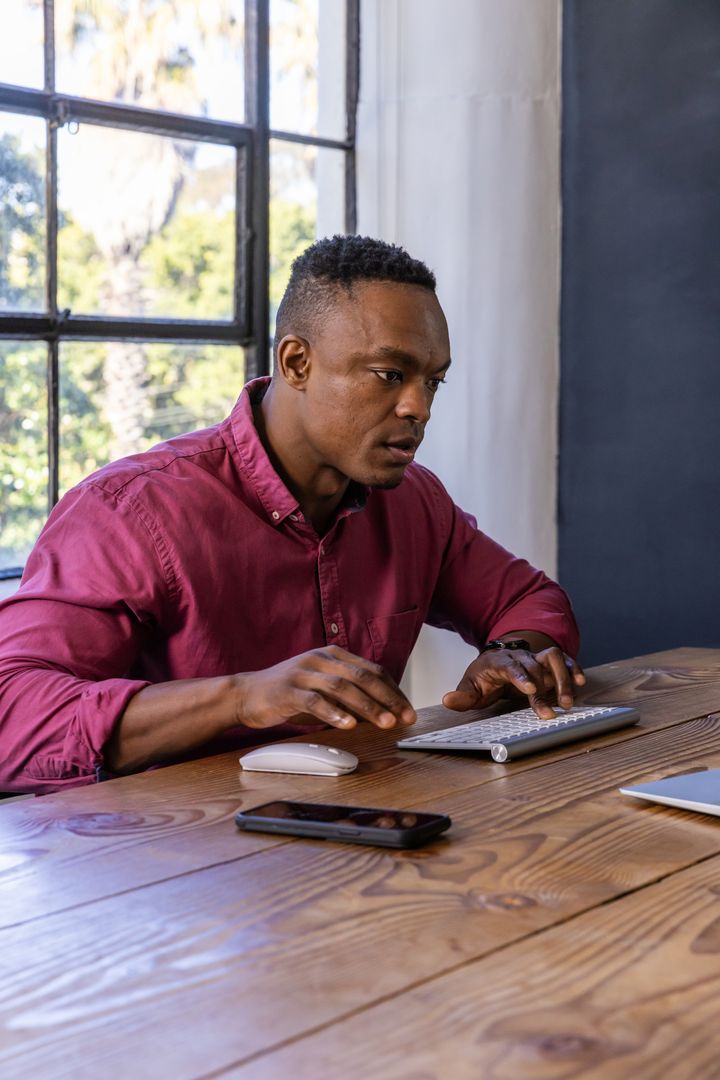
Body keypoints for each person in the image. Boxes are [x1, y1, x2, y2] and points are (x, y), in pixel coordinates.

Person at [0, 235, 582, 794]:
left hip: (366, 823)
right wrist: (242, 698)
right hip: (166, 849)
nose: (419, 407)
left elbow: (528, 599)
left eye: (433, 382)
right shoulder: (131, 511)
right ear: (297, 361)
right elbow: (12, 718)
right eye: (390, 375)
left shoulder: (415, 503)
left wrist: (514, 655)